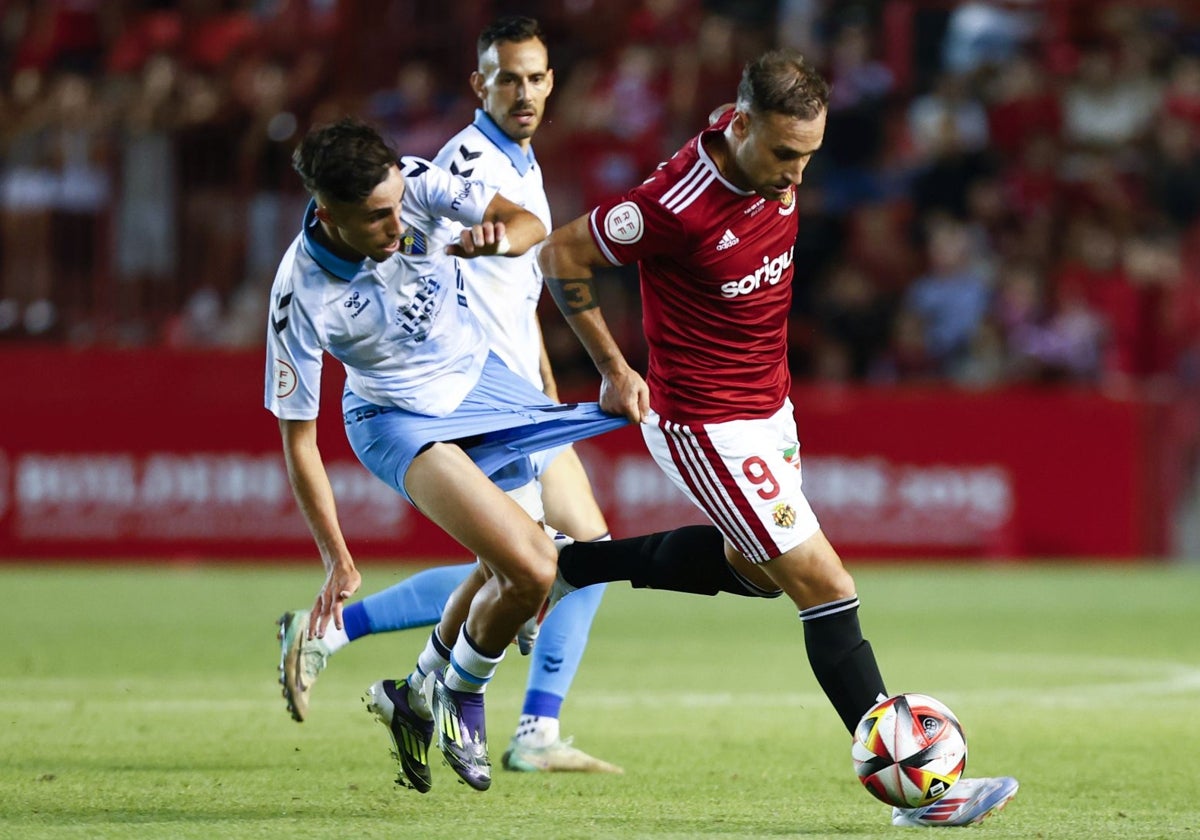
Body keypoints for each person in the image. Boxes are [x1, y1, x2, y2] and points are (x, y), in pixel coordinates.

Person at [534, 49, 1020, 828]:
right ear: (744, 124)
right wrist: (616, 367)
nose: (797, 175)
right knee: (826, 587)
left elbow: (766, 154)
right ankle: (925, 795)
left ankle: (564, 565)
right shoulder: (675, 202)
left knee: (757, 574)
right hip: (705, 422)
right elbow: (560, 253)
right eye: (785, 155)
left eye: (810, 156)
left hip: (770, 410)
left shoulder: (762, 150)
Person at [275, 15, 621, 775]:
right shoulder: (301, 292)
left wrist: (499, 237)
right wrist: (336, 556)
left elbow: (528, 234)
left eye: (537, 76)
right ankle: (496, 711)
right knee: (543, 561)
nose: (401, 226)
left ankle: (426, 684)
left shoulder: (434, 179)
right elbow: (298, 440)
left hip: (489, 386)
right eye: (509, 77)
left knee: (538, 561)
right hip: (401, 413)